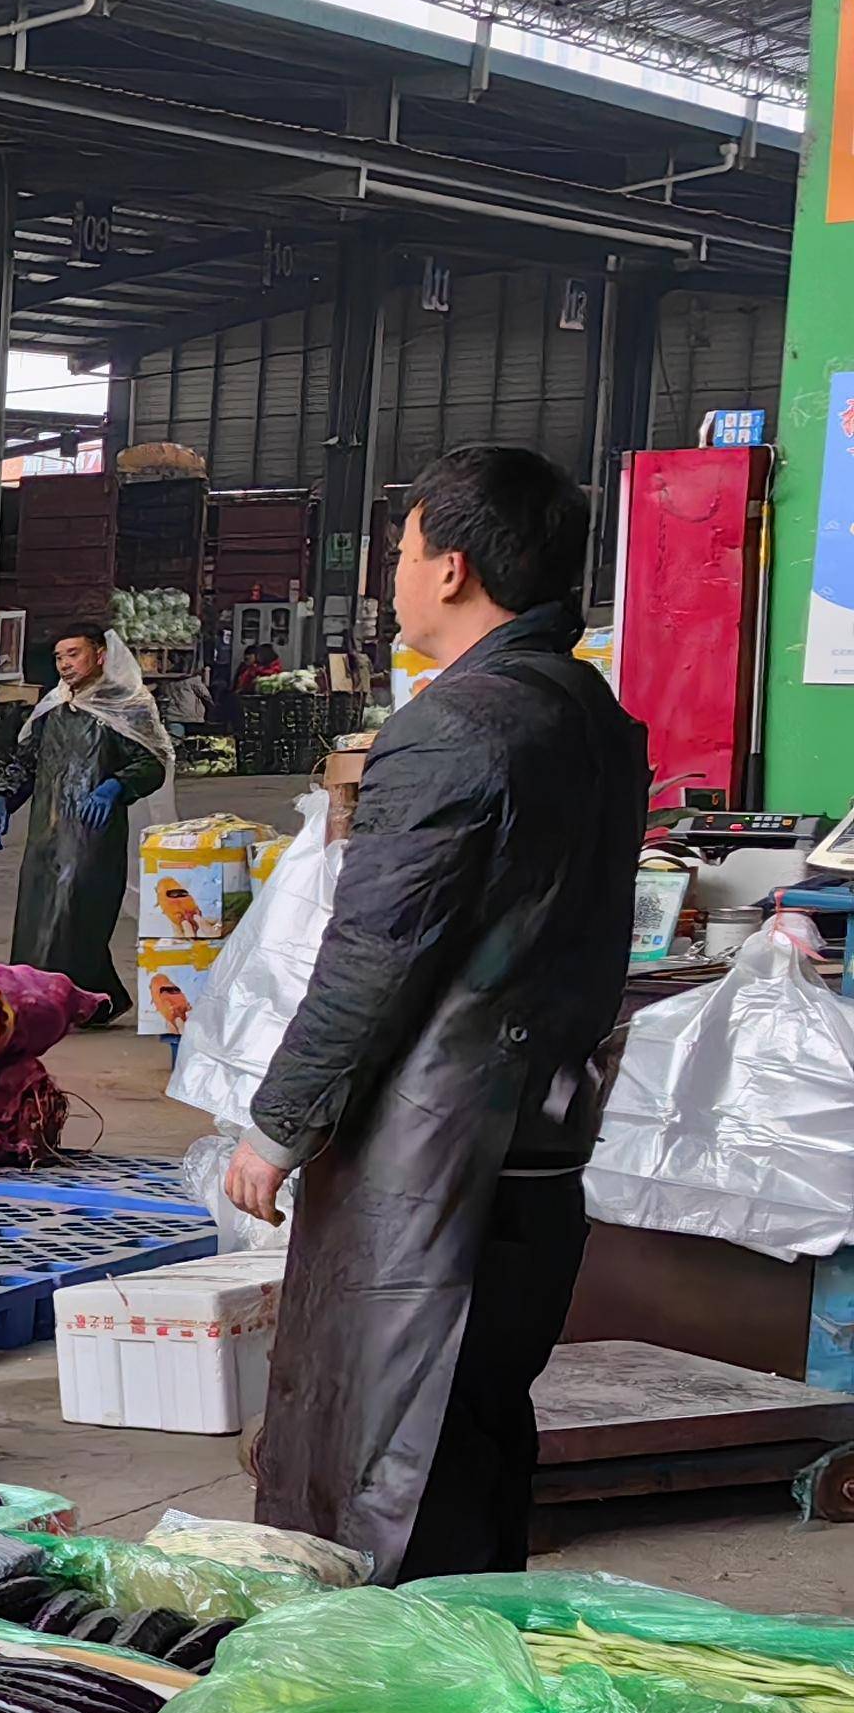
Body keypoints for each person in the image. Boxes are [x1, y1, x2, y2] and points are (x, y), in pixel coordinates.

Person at [224, 445, 646, 1579]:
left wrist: (277, 1127)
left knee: (390, 1457)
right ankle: (462, 1682)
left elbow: (372, 957)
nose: (393, 578)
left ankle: (397, 1708)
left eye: (401, 553)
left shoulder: (458, 726)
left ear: (451, 568)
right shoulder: (591, 712)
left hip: (437, 1154)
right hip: (538, 1141)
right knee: (476, 1433)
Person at [0, 619, 169, 1004]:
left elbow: (153, 761)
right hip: (48, 826)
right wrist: (5, 797)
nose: (65, 664)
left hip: (93, 829)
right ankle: (63, 998)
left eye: (74, 654)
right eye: (59, 657)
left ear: (99, 654)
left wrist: (115, 786)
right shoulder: (54, 705)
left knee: (74, 912)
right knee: (38, 911)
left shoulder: (127, 704)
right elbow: (28, 760)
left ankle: (60, 1000)